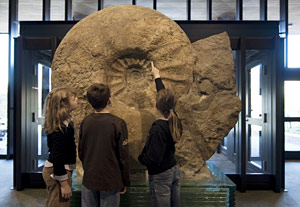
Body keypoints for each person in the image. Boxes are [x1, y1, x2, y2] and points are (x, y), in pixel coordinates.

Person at [138, 61, 183, 207]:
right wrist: (157, 77)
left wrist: (141, 158)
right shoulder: (174, 119)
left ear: (156, 105)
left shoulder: (158, 129)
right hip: (173, 169)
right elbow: (165, 98)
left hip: (161, 175)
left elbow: (153, 159)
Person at [78, 83, 130, 207]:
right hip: (111, 180)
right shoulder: (118, 123)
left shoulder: (86, 122)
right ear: (109, 100)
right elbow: (123, 155)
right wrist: (124, 181)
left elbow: (81, 151)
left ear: (90, 103)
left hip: (90, 178)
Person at [42, 87, 78, 207]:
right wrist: (63, 183)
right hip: (57, 171)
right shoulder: (60, 128)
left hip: (60, 170)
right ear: (65, 104)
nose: (77, 99)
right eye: (74, 98)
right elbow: (57, 155)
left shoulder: (64, 123)